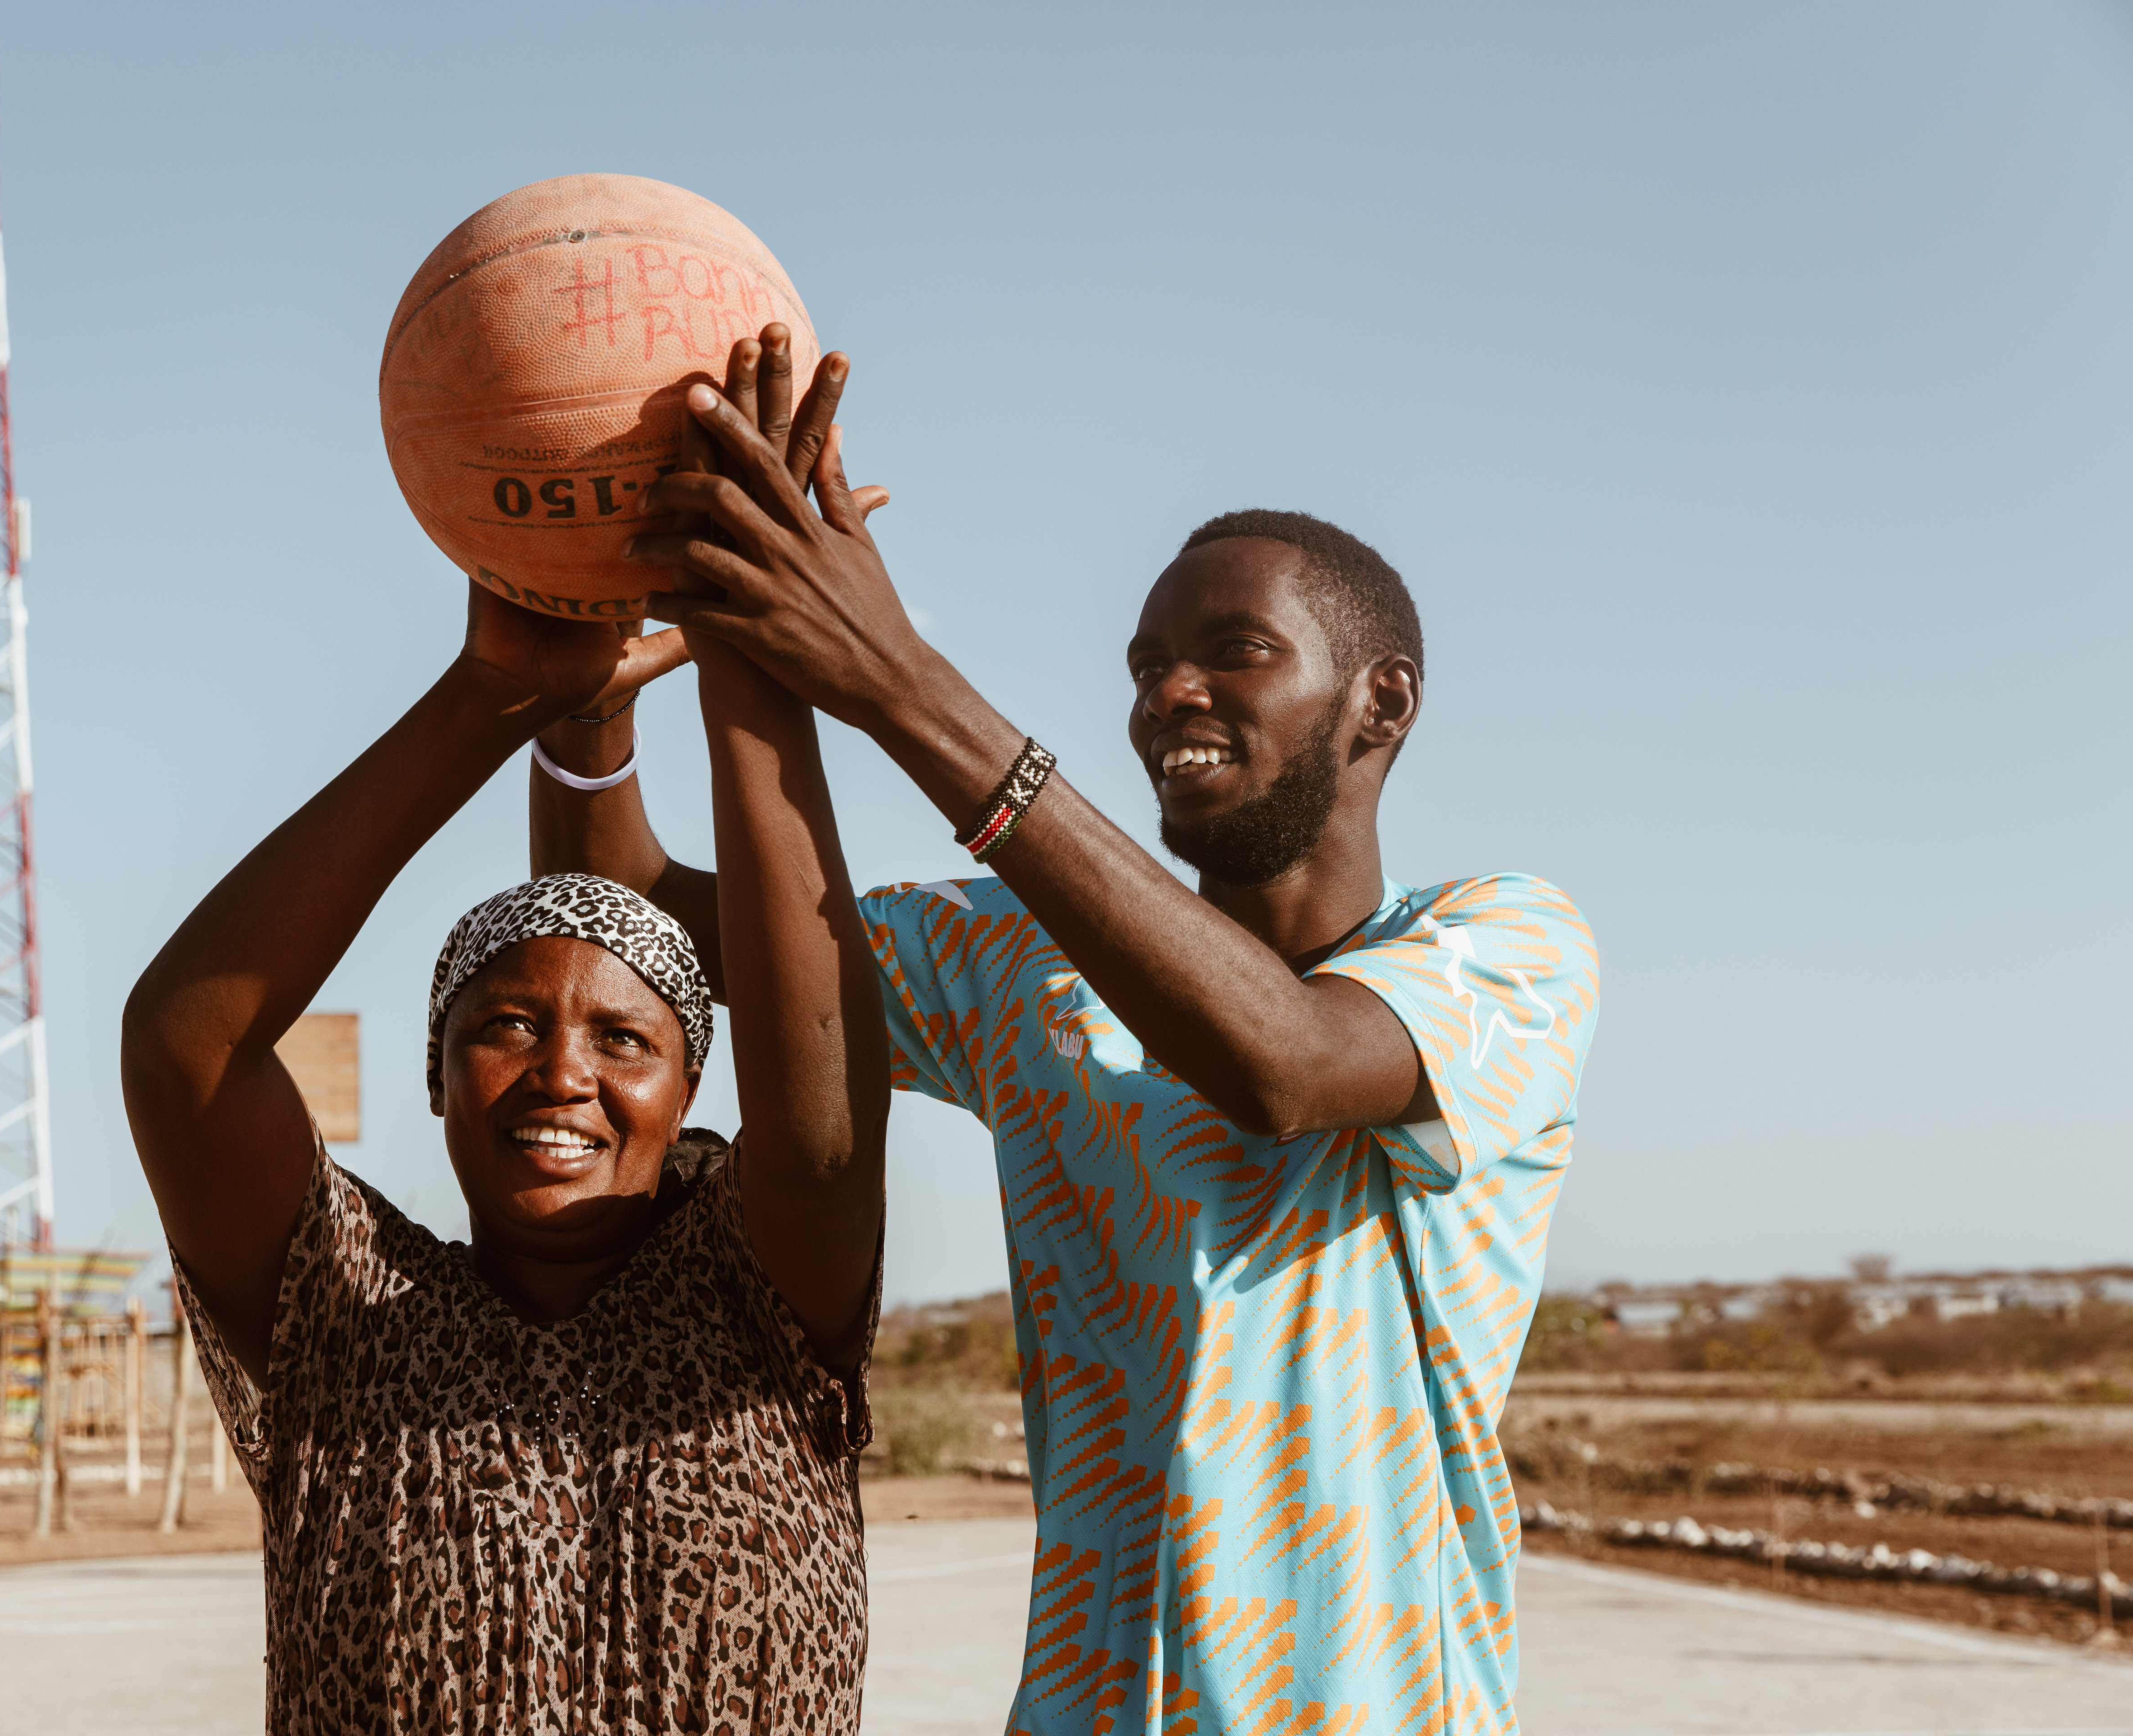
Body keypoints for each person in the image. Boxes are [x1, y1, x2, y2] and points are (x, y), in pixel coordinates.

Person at [532, 335, 1603, 1731]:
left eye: (1237, 651)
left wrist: (901, 682)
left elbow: (1282, 1063)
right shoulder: (1017, 955)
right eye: (1150, 661)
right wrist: (589, 709)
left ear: (1380, 702)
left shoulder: (1507, 948)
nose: (1170, 692)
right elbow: (636, 927)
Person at [120, 343, 890, 1735]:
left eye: (623, 1038)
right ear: (435, 1071)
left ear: (696, 1083)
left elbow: (824, 1129)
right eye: (509, 1025)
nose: (562, 1071)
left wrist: (749, 654)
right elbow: (186, 1051)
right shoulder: (340, 1325)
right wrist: (491, 696)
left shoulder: (762, 1304)